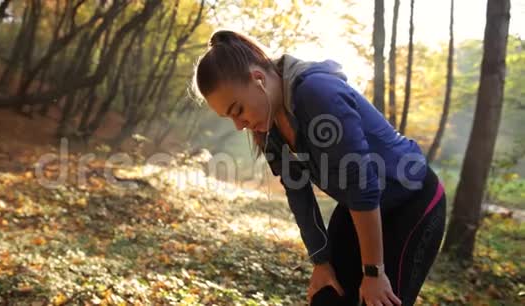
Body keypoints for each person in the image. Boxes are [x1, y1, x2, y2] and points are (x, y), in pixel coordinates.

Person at [191, 29, 446, 306]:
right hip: (359, 207)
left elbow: (363, 184)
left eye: (237, 110)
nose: (239, 125)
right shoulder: (270, 128)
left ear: (258, 79)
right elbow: (299, 194)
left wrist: (373, 272)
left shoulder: (317, 93)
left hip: (412, 201)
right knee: (327, 298)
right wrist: (320, 261)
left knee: (379, 300)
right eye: (229, 118)